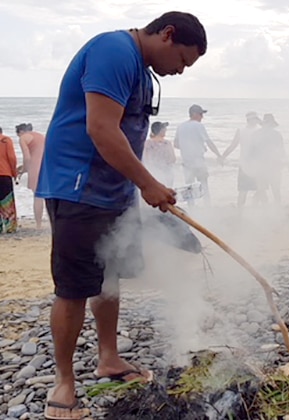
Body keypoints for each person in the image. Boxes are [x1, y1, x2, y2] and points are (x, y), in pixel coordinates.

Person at [35, 12, 206, 419]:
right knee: (75, 287)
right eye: (182, 60)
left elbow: (129, 135)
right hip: (78, 186)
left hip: (113, 192)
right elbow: (101, 128)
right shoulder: (113, 50)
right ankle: (64, 383)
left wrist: (144, 184)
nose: (180, 71)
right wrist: (148, 183)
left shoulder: (144, 72)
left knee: (109, 276)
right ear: (167, 34)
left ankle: (108, 358)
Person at [174, 104, 221, 204]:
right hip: (198, 162)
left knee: (189, 188)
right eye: (200, 114)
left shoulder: (181, 126)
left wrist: (187, 147)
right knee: (204, 186)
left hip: (186, 163)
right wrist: (218, 155)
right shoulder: (199, 126)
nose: (202, 117)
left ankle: (192, 210)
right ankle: (207, 207)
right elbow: (209, 142)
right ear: (194, 114)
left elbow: (176, 144)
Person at [222, 111, 262, 207]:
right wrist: (223, 156)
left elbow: (233, 145)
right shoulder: (258, 130)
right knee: (254, 189)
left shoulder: (242, 130)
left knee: (247, 190)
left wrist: (223, 156)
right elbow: (233, 145)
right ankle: (246, 210)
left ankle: (243, 211)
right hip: (253, 165)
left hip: (248, 165)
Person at [251, 113, 286, 204]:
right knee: (275, 189)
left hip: (261, 165)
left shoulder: (256, 134)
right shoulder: (277, 135)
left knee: (262, 189)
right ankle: (277, 209)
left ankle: (265, 209)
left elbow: (253, 152)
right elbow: (281, 151)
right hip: (273, 165)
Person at [16, 123, 45, 228]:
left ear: (21, 132)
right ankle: (53, 222)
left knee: (38, 196)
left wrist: (22, 170)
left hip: (35, 166)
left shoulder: (23, 138)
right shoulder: (40, 136)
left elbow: (27, 158)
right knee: (48, 195)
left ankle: (38, 224)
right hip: (46, 165)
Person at [143, 121, 175, 187]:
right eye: (164, 129)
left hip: (152, 172)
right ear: (161, 131)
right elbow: (172, 159)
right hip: (166, 171)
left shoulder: (147, 143)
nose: (166, 130)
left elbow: (145, 159)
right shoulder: (166, 143)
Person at [0, 127, 18, 233]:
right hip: (4, 174)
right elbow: (11, 158)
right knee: (7, 200)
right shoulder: (6, 140)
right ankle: (10, 226)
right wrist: (14, 173)